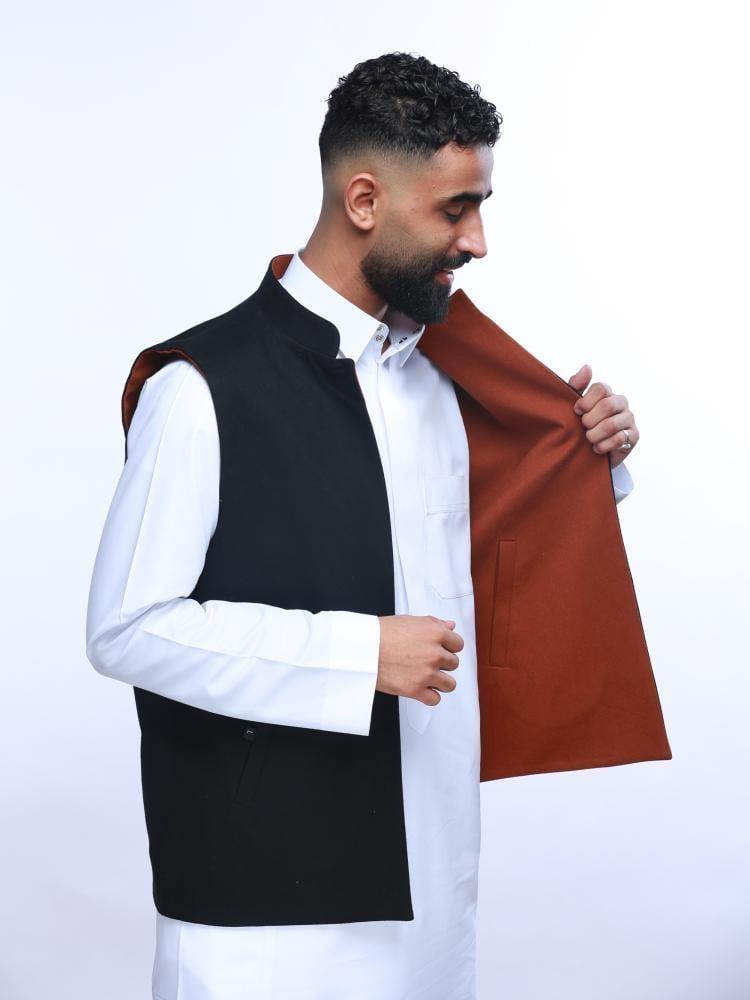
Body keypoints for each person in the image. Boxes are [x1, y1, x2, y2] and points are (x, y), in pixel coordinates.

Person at [86, 51, 637, 1000]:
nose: (477, 242)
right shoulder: (200, 387)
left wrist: (594, 452)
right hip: (261, 927)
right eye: (455, 209)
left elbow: (494, 537)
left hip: (431, 896)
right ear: (366, 201)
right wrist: (357, 654)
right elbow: (124, 628)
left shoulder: (450, 374)